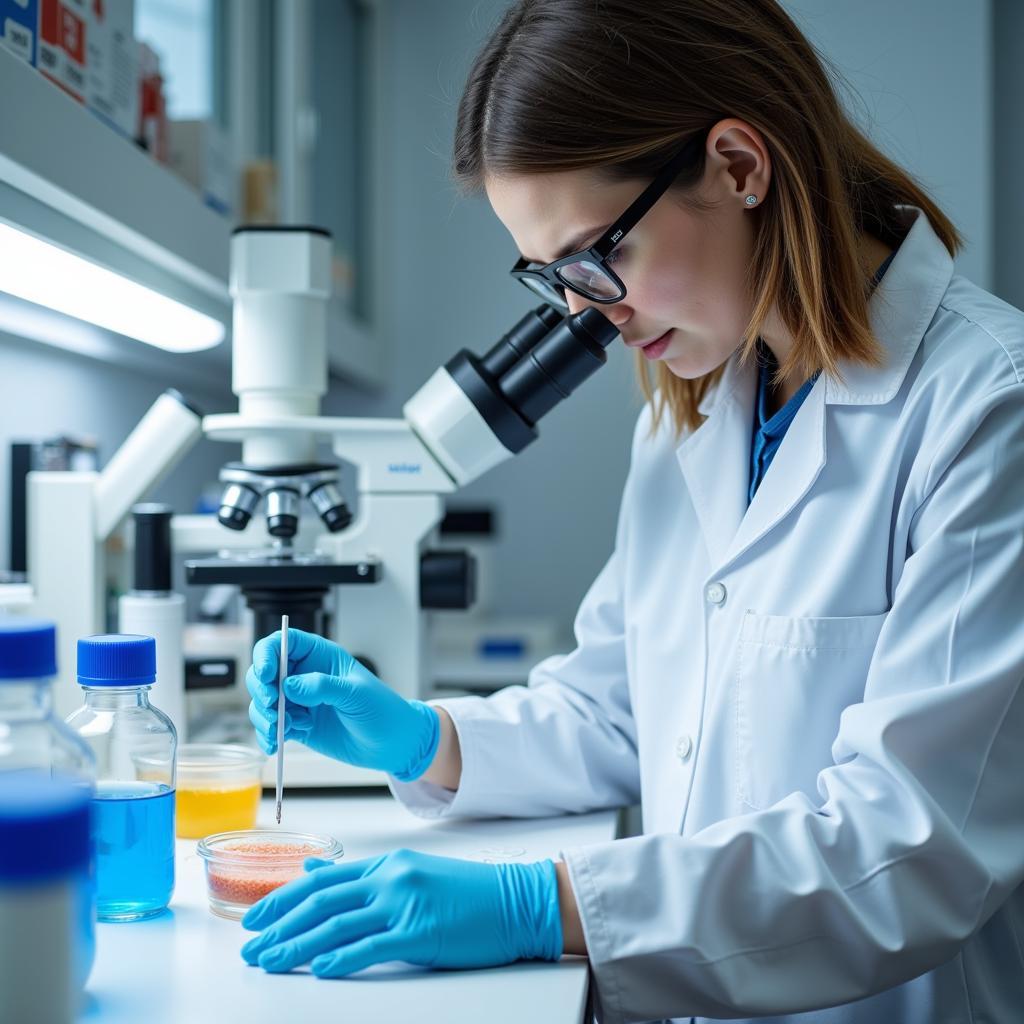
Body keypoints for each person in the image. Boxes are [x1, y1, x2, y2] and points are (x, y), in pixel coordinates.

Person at [240, 1, 1024, 1021]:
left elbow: (910, 844)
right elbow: (618, 712)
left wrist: (545, 903)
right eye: (550, 277)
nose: (583, 312)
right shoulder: (695, 404)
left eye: (591, 258)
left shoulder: (985, 407)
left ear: (740, 165)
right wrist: (422, 740)